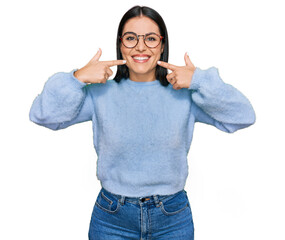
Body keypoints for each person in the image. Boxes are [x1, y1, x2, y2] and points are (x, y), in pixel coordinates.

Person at [29, 5, 256, 240]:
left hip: (172, 218)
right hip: (111, 219)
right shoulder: (99, 93)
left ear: (163, 44)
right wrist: (77, 78)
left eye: (150, 39)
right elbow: (43, 115)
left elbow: (243, 116)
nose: (140, 46)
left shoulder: (186, 93)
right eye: (130, 38)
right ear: (120, 44)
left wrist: (200, 80)